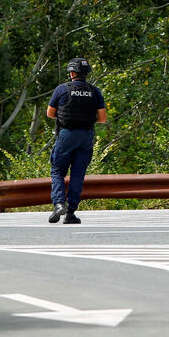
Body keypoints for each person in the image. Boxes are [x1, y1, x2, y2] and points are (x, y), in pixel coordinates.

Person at [46, 58, 107, 224]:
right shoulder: (95, 92)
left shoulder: (62, 89)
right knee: (78, 174)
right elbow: (102, 119)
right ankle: (71, 212)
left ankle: (59, 203)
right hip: (86, 136)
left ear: (72, 73)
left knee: (58, 171)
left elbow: (50, 113)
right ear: (86, 74)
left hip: (67, 134)